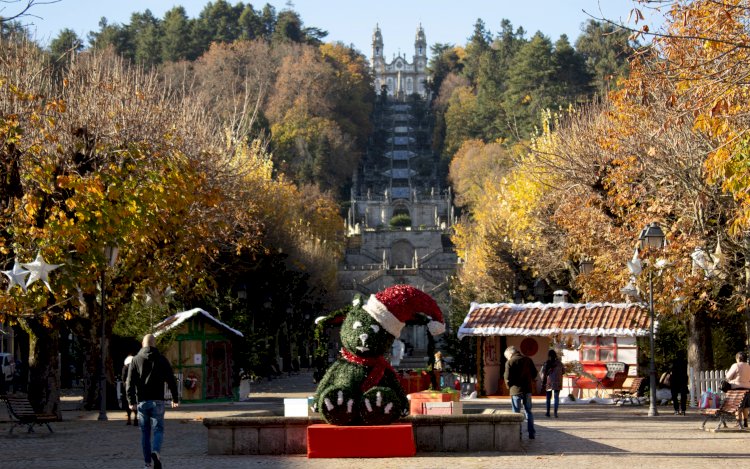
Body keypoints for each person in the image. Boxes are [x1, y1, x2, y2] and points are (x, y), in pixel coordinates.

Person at [126, 334, 179, 469]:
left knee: (145, 433)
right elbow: (171, 380)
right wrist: (175, 398)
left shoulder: (136, 360)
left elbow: (129, 382)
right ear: (154, 344)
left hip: (142, 401)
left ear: (142, 344)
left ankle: (147, 463)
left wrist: (131, 401)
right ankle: (156, 451)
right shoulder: (162, 359)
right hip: (158, 401)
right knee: (158, 430)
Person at [504, 345, 538, 439]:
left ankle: (517, 434)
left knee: (516, 413)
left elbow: (507, 378)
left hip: (515, 391)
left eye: (507, 356)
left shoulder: (510, 362)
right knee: (528, 412)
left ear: (511, 353)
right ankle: (531, 433)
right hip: (527, 390)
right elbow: (535, 373)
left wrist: (509, 386)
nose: (507, 358)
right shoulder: (528, 360)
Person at [725, 351, 750, 427]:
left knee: (737, 406)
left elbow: (728, 377)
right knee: (745, 406)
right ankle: (745, 422)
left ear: (738, 358)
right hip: (747, 389)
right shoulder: (748, 366)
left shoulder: (736, 365)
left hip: (737, 389)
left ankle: (738, 422)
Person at [540, 349, 564, 418]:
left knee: (548, 398)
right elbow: (563, 371)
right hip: (557, 382)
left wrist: (543, 381)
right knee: (556, 398)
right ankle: (555, 413)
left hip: (549, 382)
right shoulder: (560, 363)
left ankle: (548, 413)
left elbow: (542, 373)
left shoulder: (546, 363)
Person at [121, 354, 135, 425]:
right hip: (135, 387)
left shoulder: (125, 368)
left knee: (127, 403)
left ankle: (129, 418)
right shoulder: (135, 367)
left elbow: (123, 378)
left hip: (127, 387)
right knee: (135, 402)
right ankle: (135, 418)